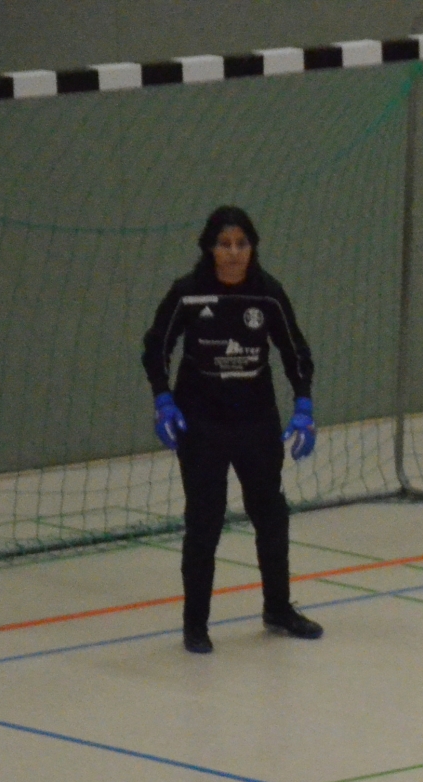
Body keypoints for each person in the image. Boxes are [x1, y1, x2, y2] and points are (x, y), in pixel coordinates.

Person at [142, 205, 322, 655]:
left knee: (271, 514)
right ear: (209, 248)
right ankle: (195, 624)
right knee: (205, 520)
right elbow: (155, 346)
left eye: (242, 243)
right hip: (201, 423)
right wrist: (163, 399)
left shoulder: (268, 294)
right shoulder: (188, 293)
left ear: (253, 248)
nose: (234, 252)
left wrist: (303, 404)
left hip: (256, 421)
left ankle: (277, 609)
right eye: (224, 244)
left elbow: (296, 351)